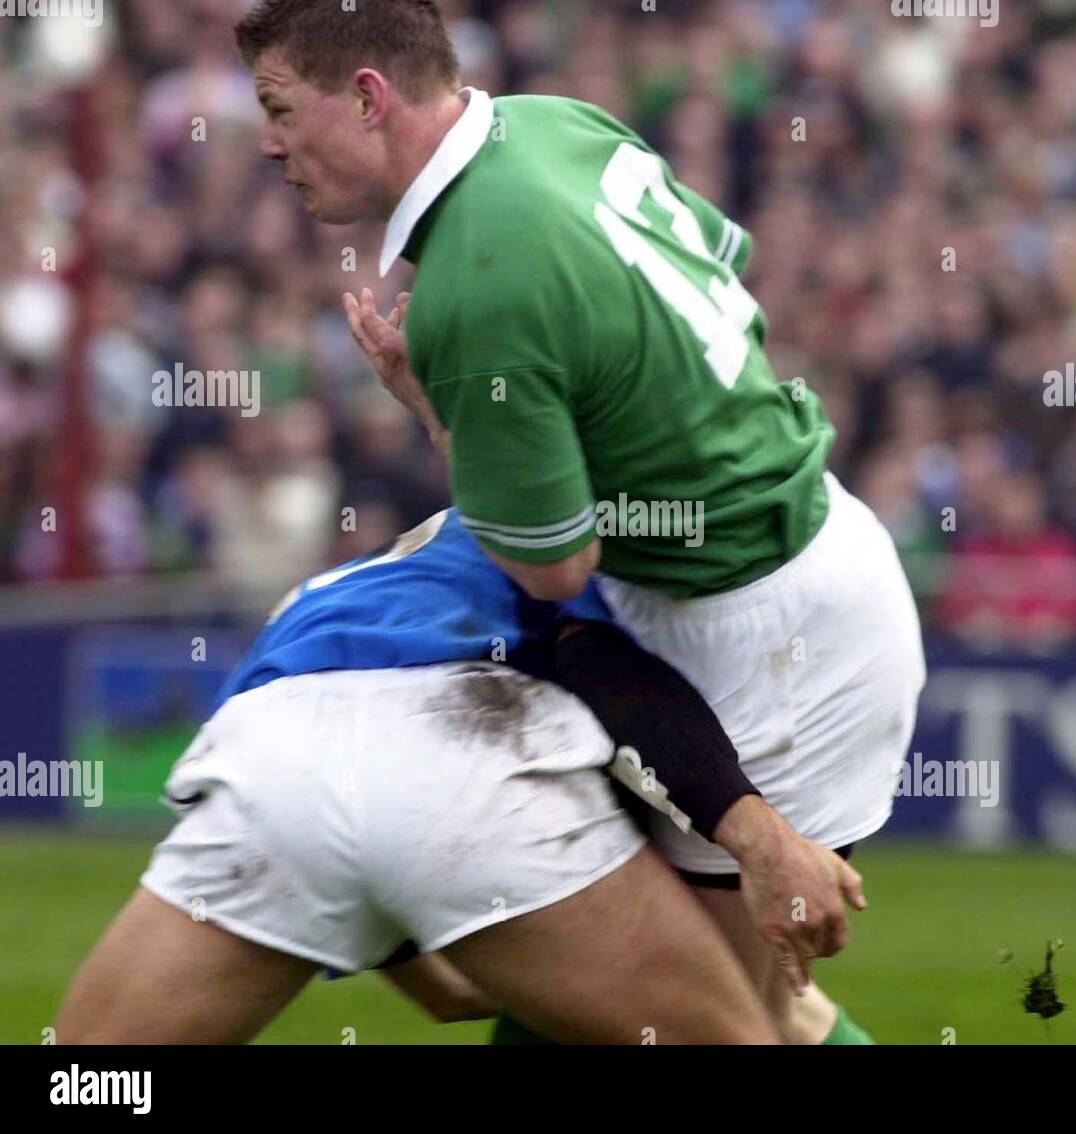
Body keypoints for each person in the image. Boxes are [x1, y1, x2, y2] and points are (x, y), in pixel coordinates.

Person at [237, 0, 925, 1044]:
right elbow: (721, 270)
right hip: (777, 570)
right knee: (676, 1009)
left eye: (280, 107)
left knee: (679, 1023)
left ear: (368, 97)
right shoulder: (554, 122)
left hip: (760, 641)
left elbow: (554, 569)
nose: (267, 142)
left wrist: (440, 410)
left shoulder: (478, 279)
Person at [58, 507, 864, 1044]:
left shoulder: (326, 595)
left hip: (275, 764)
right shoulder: (556, 544)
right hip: (469, 748)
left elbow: (442, 982)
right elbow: (614, 676)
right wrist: (758, 841)